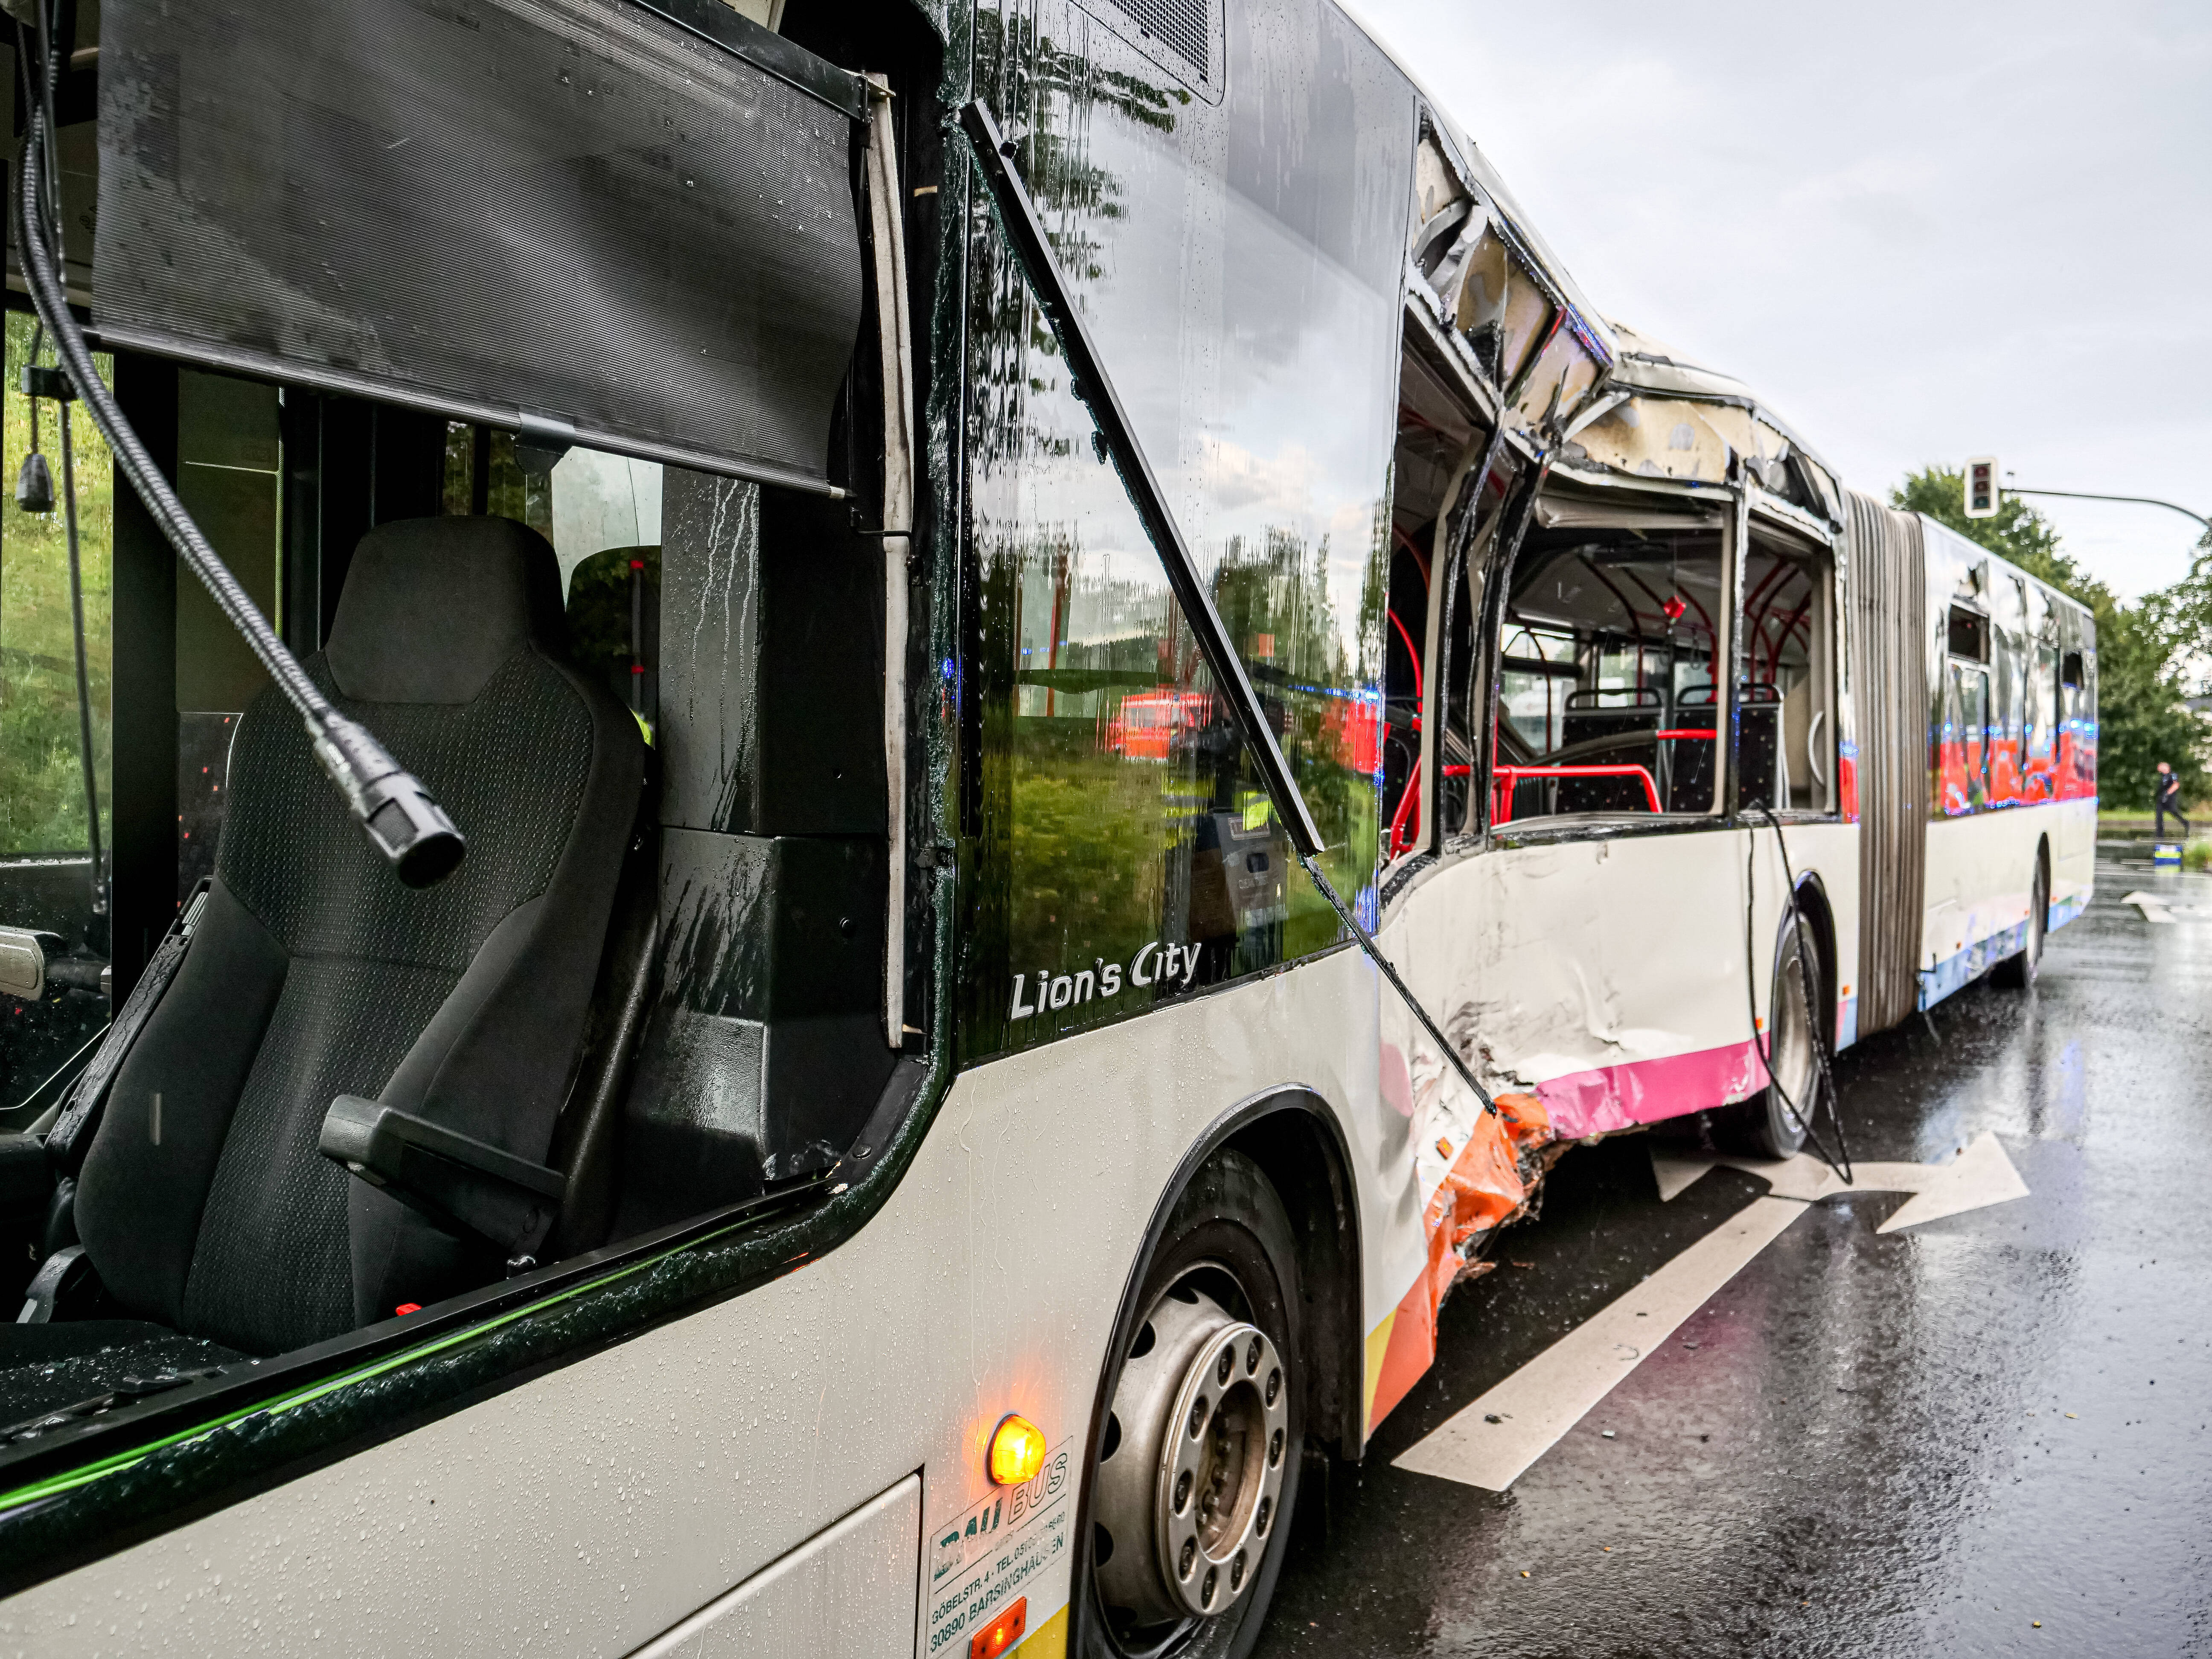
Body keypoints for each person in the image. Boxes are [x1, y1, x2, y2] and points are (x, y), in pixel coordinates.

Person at [2156, 761, 2190, 840]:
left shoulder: (2173, 775)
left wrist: (2167, 794)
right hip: (2161, 798)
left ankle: (2186, 823)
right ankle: (2160, 835)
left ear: (2166, 767)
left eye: (2161, 767)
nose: (2159, 769)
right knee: (2159, 815)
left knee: (2173, 811)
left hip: (2170, 798)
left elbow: (2176, 785)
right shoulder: (2162, 777)